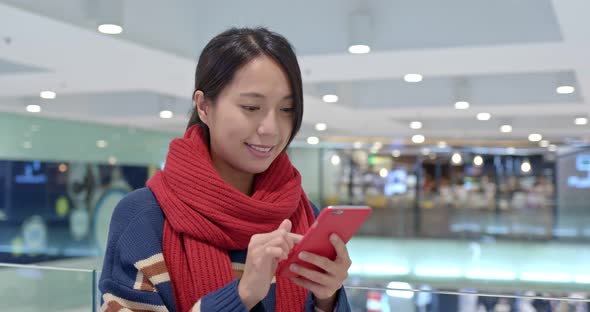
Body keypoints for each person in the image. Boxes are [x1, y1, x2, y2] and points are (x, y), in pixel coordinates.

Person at [98, 27, 352, 312]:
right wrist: (241, 295)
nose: (270, 129)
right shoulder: (144, 218)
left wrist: (328, 299)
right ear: (204, 106)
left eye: (286, 110)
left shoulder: (303, 216)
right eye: (251, 107)